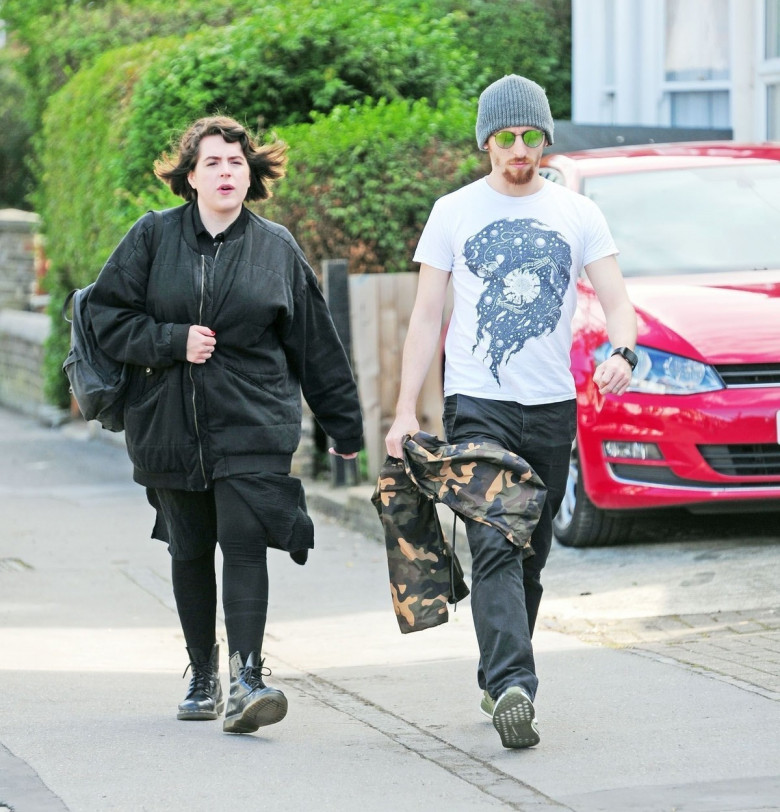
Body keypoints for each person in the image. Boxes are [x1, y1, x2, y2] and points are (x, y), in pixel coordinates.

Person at [385, 75, 637, 749]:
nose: (518, 149)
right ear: (486, 142)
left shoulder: (577, 214)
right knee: (495, 540)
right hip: (478, 407)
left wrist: (624, 352)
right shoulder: (454, 212)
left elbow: (617, 301)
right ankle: (516, 685)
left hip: (552, 408)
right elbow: (427, 317)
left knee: (531, 556)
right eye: (506, 137)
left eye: (530, 136)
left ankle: (497, 672)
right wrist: (405, 409)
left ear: (544, 139)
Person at [89, 115, 363, 735]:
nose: (225, 172)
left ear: (251, 175)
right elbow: (106, 314)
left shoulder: (276, 248)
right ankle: (202, 672)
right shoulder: (152, 237)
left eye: (235, 162)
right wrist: (170, 340)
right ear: (190, 177)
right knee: (190, 548)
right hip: (167, 422)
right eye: (211, 162)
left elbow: (316, 344)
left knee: (243, 542)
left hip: (253, 422)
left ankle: (247, 678)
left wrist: (345, 426)